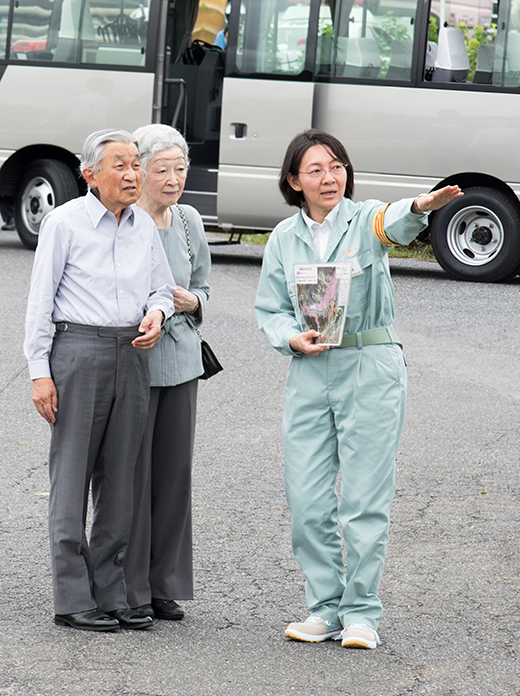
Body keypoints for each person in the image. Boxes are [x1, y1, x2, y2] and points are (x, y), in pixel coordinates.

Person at [255, 129, 462, 650]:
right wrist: (290, 337)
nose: (330, 178)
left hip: (370, 363)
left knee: (365, 499)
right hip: (310, 367)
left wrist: (418, 206)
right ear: (293, 181)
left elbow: (392, 222)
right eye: (316, 170)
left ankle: (362, 613)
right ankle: (324, 609)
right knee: (306, 498)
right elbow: (271, 309)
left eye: (337, 166)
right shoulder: (283, 237)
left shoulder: (364, 217)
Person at [24, 129, 176, 632]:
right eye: (121, 165)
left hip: (131, 352)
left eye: (136, 163)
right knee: (70, 478)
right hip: (78, 350)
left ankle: (111, 593)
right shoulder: (63, 223)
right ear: (90, 174)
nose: (133, 174)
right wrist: (40, 373)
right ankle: (71, 598)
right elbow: (39, 303)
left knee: (120, 481)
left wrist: (157, 312)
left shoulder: (143, 227)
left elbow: (161, 287)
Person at [123, 124, 211, 621]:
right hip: (134, 357)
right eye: (163, 170)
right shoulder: (125, 218)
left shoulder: (188, 220)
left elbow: (204, 287)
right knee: (130, 477)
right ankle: (129, 584)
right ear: (140, 170)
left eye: (181, 169)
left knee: (173, 475)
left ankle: (164, 583)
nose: (174, 178)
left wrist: (193, 300)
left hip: (180, 363)